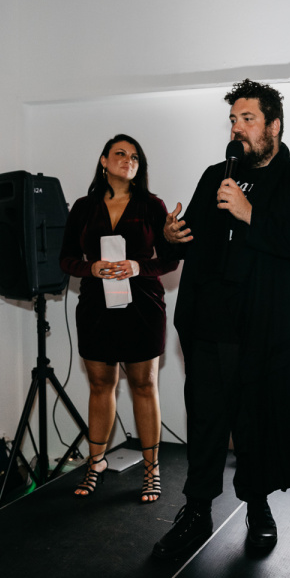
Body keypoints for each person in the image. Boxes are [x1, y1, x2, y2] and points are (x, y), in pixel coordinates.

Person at [152, 79, 290, 559]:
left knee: (255, 427)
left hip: (263, 331)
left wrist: (252, 215)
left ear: (274, 126)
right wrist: (172, 235)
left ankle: (257, 506)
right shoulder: (217, 175)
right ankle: (196, 512)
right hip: (208, 325)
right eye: (233, 120)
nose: (237, 128)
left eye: (247, 119)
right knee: (206, 423)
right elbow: (191, 237)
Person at [59, 134, 177, 503]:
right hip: (96, 307)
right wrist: (90, 267)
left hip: (143, 305)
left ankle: (151, 469)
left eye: (135, 157)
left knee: (144, 385)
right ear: (104, 161)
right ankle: (95, 463)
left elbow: (170, 259)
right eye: (120, 154)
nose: (128, 160)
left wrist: (137, 266)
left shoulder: (152, 205)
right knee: (100, 385)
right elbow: (65, 258)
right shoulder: (83, 207)